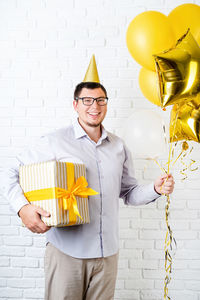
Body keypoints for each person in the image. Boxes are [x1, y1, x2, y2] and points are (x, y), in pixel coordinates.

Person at [1, 55, 174, 300]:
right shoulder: (54, 141)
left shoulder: (119, 146)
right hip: (66, 252)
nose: (95, 106)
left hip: (107, 255)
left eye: (101, 100)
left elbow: (129, 193)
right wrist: (23, 208)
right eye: (87, 100)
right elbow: (11, 172)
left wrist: (155, 189)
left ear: (107, 103)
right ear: (76, 105)